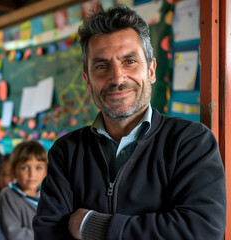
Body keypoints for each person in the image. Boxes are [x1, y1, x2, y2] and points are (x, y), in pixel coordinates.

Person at [33, 5, 226, 240]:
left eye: (130, 61)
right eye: (101, 66)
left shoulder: (191, 142)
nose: (117, 78)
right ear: (87, 80)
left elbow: (201, 231)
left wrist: (88, 224)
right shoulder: (67, 152)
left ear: (151, 70)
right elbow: (48, 232)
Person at [0, 141, 47, 240]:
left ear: (45, 171)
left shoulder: (47, 195)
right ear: (13, 172)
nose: (32, 174)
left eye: (38, 167)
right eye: (24, 168)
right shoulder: (8, 195)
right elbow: (13, 233)